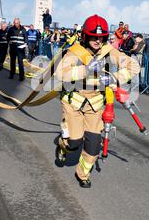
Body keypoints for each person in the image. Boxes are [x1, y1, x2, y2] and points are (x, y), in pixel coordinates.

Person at [55, 14, 140, 188]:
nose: (97, 41)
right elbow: (60, 74)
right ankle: (62, 146)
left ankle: (83, 173)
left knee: (93, 145)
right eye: (94, 37)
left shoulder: (110, 52)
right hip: (74, 103)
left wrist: (115, 78)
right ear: (86, 36)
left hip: (95, 106)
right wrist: (85, 69)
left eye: (101, 37)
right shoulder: (75, 52)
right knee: (74, 142)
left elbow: (134, 66)